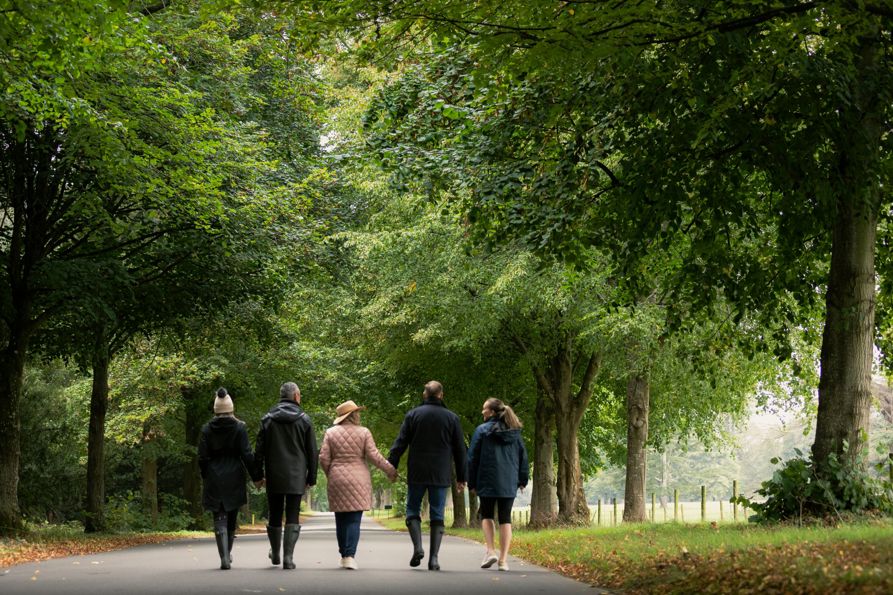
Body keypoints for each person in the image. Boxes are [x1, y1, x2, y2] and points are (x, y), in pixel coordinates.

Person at [388, 380, 467, 571]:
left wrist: (392, 465)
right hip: (440, 473)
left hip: (417, 471)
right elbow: (460, 450)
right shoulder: (452, 418)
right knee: (437, 513)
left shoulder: (413, 415)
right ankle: (434, 559)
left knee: (412, 509)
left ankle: (418, 548)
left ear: (425, 394)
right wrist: (462, 477)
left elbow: (400, 443)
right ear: (441, 395)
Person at [318, 400, 398, 570]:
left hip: (337, 479)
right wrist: (390, 470)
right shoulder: (364, 433)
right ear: (354, 415)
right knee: (354, 520)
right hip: (359, 479)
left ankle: (343, 555)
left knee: (340, 519)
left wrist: (331, 473)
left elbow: (323, 458)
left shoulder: (330, 433)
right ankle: (350, 556)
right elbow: (374, 456)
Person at [253, 381, 318, 570]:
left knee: (274, 513)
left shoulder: (267, 419)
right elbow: (312, 452)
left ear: (282, 396)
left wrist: (258, 475)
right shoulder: (304, 420)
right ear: (296, 396)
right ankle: (288, 558)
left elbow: (259, 451)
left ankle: (275, 553)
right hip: (297, 475)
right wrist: (311, 477)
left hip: (274, 474)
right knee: (292, 514)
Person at [466, 397, 529, 572]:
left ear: (492, 412)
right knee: (505, 518)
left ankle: (491, 550)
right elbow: (523, 457)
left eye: (484, 409)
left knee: (486, 515)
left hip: (486, 479)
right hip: (509, 481)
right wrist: (523, 479)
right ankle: (503, 561)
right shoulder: (514, 432)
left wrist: (471, 482)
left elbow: (472, 458)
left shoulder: (482, 431)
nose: (482, 412)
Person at [198, 387, 257, 570]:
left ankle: (223, 556)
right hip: (234, 475)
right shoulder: (239, 428)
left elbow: (202, 457)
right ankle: (227, 553)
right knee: (231, 515)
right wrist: (256, 476)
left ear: (216, 410)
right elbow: (246, 454)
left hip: (214, 476)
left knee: (219, 514)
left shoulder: (207, 429)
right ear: (231, 409)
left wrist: (205, 473)